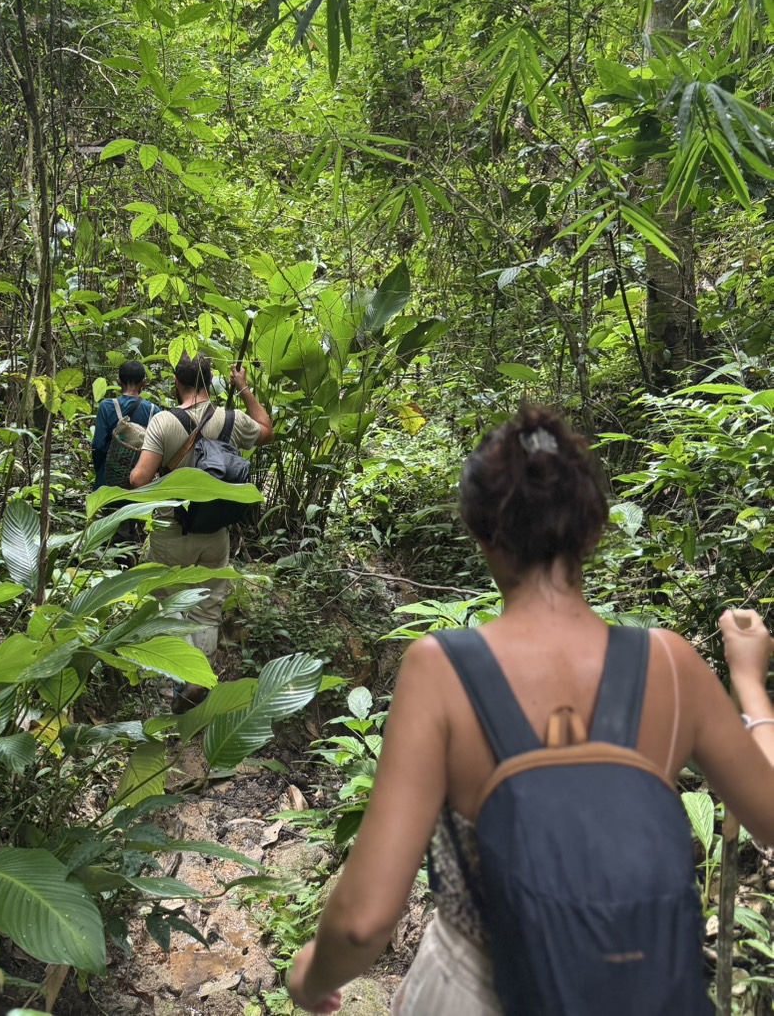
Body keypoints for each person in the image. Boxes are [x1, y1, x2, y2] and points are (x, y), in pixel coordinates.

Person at [286, 403, 774, 1016]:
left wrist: (310, 978)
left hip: (475, 991)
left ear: (482, 533)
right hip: (641, 993)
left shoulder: (441, 671)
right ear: (593, 531)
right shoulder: (671, 665)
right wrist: (749, 683)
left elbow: (363, 923)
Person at [129, 354, 273, 693]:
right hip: (215, 531)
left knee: (163, 601)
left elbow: (138, 480)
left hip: (172, 531)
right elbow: (266, 430)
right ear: (210, 382)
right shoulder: (232, 419)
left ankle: (189, 680)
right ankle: (200, 680)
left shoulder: (164, 422)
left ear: (177, 383)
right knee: (207, 609)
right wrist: (244, 388)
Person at [91, 358, 158, 489]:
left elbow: (98, 446)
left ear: (119, 381)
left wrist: (101, 470)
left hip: (107, 481)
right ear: (144, 382)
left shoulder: (106, 407)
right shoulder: (153, 411)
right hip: (139, 484)